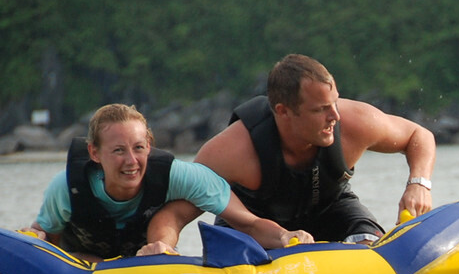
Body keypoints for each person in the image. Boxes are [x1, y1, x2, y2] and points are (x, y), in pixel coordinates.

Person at [147, 54, 437, 247]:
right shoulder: (231, 152)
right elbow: (173, 215)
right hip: (251, 230)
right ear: (283, 112)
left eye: (334, 102)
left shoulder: (355, 123)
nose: (335, 116)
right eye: (320, 109)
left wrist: (419, 184)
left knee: (368, 245)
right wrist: (162, 249)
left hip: (333, 211)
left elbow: (418, 135)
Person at [25, 103, 311, 259]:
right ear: (94, 153)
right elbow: (44, 235)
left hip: (146, 272)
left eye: (138, 148)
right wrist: (33, 236)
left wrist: (285, 236)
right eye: (118, 151)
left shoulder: (181, 177)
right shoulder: (66, 189)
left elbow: (247, 222)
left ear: (149, 145)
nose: (130, 161)